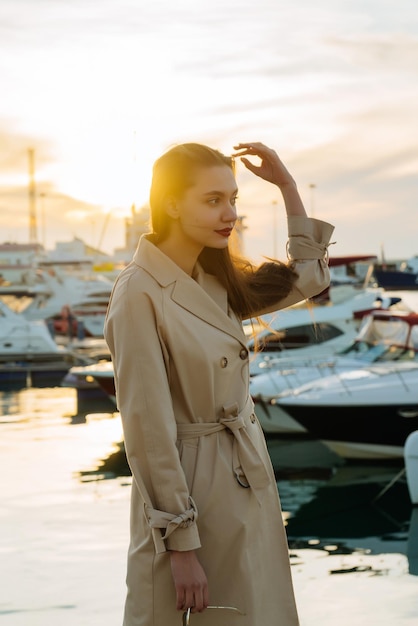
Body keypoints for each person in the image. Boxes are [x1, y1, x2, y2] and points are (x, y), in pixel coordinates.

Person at [104, 141, 335, 626]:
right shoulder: (139, 293)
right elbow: (147, 429)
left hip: (246, 477)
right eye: (213, 201)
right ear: (170, 203)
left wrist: (288, 188)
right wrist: (181, 544)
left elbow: (308, 279)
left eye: (233, 200)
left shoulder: (214, 278)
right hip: (189, 491)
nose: (229, 214)